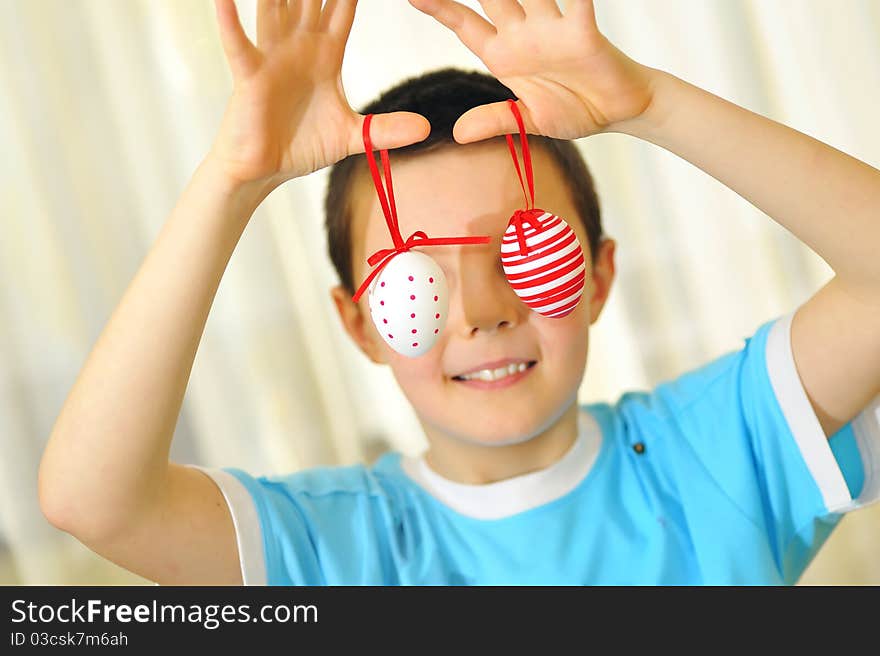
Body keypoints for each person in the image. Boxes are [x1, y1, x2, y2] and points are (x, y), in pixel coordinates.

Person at [38, 0, 880, 585]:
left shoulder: (716, 453)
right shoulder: (338, 548)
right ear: (359, 324)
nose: (482, 311)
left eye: (523, 250)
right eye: (418, 278)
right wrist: (231, 182)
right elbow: (90, 501)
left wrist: (651, 104)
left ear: (597, 276)